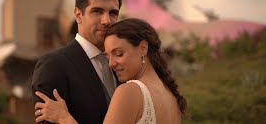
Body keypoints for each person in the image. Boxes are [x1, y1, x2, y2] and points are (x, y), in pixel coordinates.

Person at [34, 18, 187, 124]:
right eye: (108, 56)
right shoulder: (171, 96)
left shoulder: (130, 91)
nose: (111, 64)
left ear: (142, 48)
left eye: (119, 53)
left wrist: (64, 118)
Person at [32, 0, 123, 124]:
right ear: (78, 15)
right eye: (97, 11)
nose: (106, 21)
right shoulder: (54, 65)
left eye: (113, 13)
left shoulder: (123, 66)